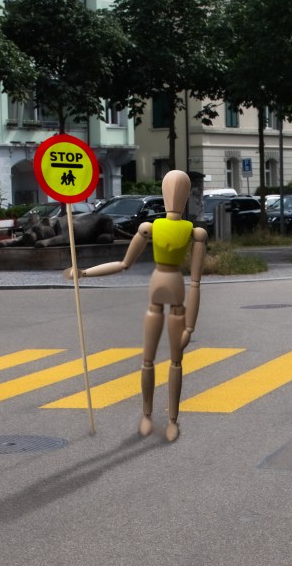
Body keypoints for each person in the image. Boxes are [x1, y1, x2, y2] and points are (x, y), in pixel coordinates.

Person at [67, 169, 208, 442]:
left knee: (171, 361)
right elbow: (125, 264)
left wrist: (190, 326)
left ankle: (171, 419)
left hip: (175, 298)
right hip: (165, 297)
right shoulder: (156, 229)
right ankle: (148, 415)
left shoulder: (192, 233)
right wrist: (84, 273)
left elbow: (195, 282)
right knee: (152, 359)